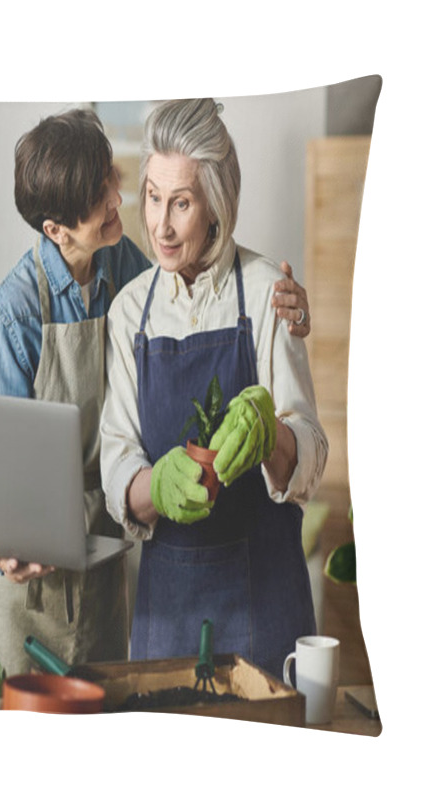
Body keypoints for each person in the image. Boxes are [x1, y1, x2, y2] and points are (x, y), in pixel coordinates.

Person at [0, 107, 313, 683]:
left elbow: (189, 294)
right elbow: (4, 481)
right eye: (119, 197)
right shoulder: (18, 314)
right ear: (57, 231)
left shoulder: (131, 269)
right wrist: (12, 539)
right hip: (31, 586)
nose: (139, 215)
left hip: (109, 570)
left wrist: (291, 323)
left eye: (114, 184)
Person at [100, 98, 327, 679]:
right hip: (166, 615)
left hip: (266, 600)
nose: (161, 225)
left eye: (182, 202)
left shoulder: (268, 294)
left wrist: (272, 435)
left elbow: (311, 452)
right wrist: (156, 485)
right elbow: (117, 457)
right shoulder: (131, 312)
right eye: (153, 196)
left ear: (216, 205)